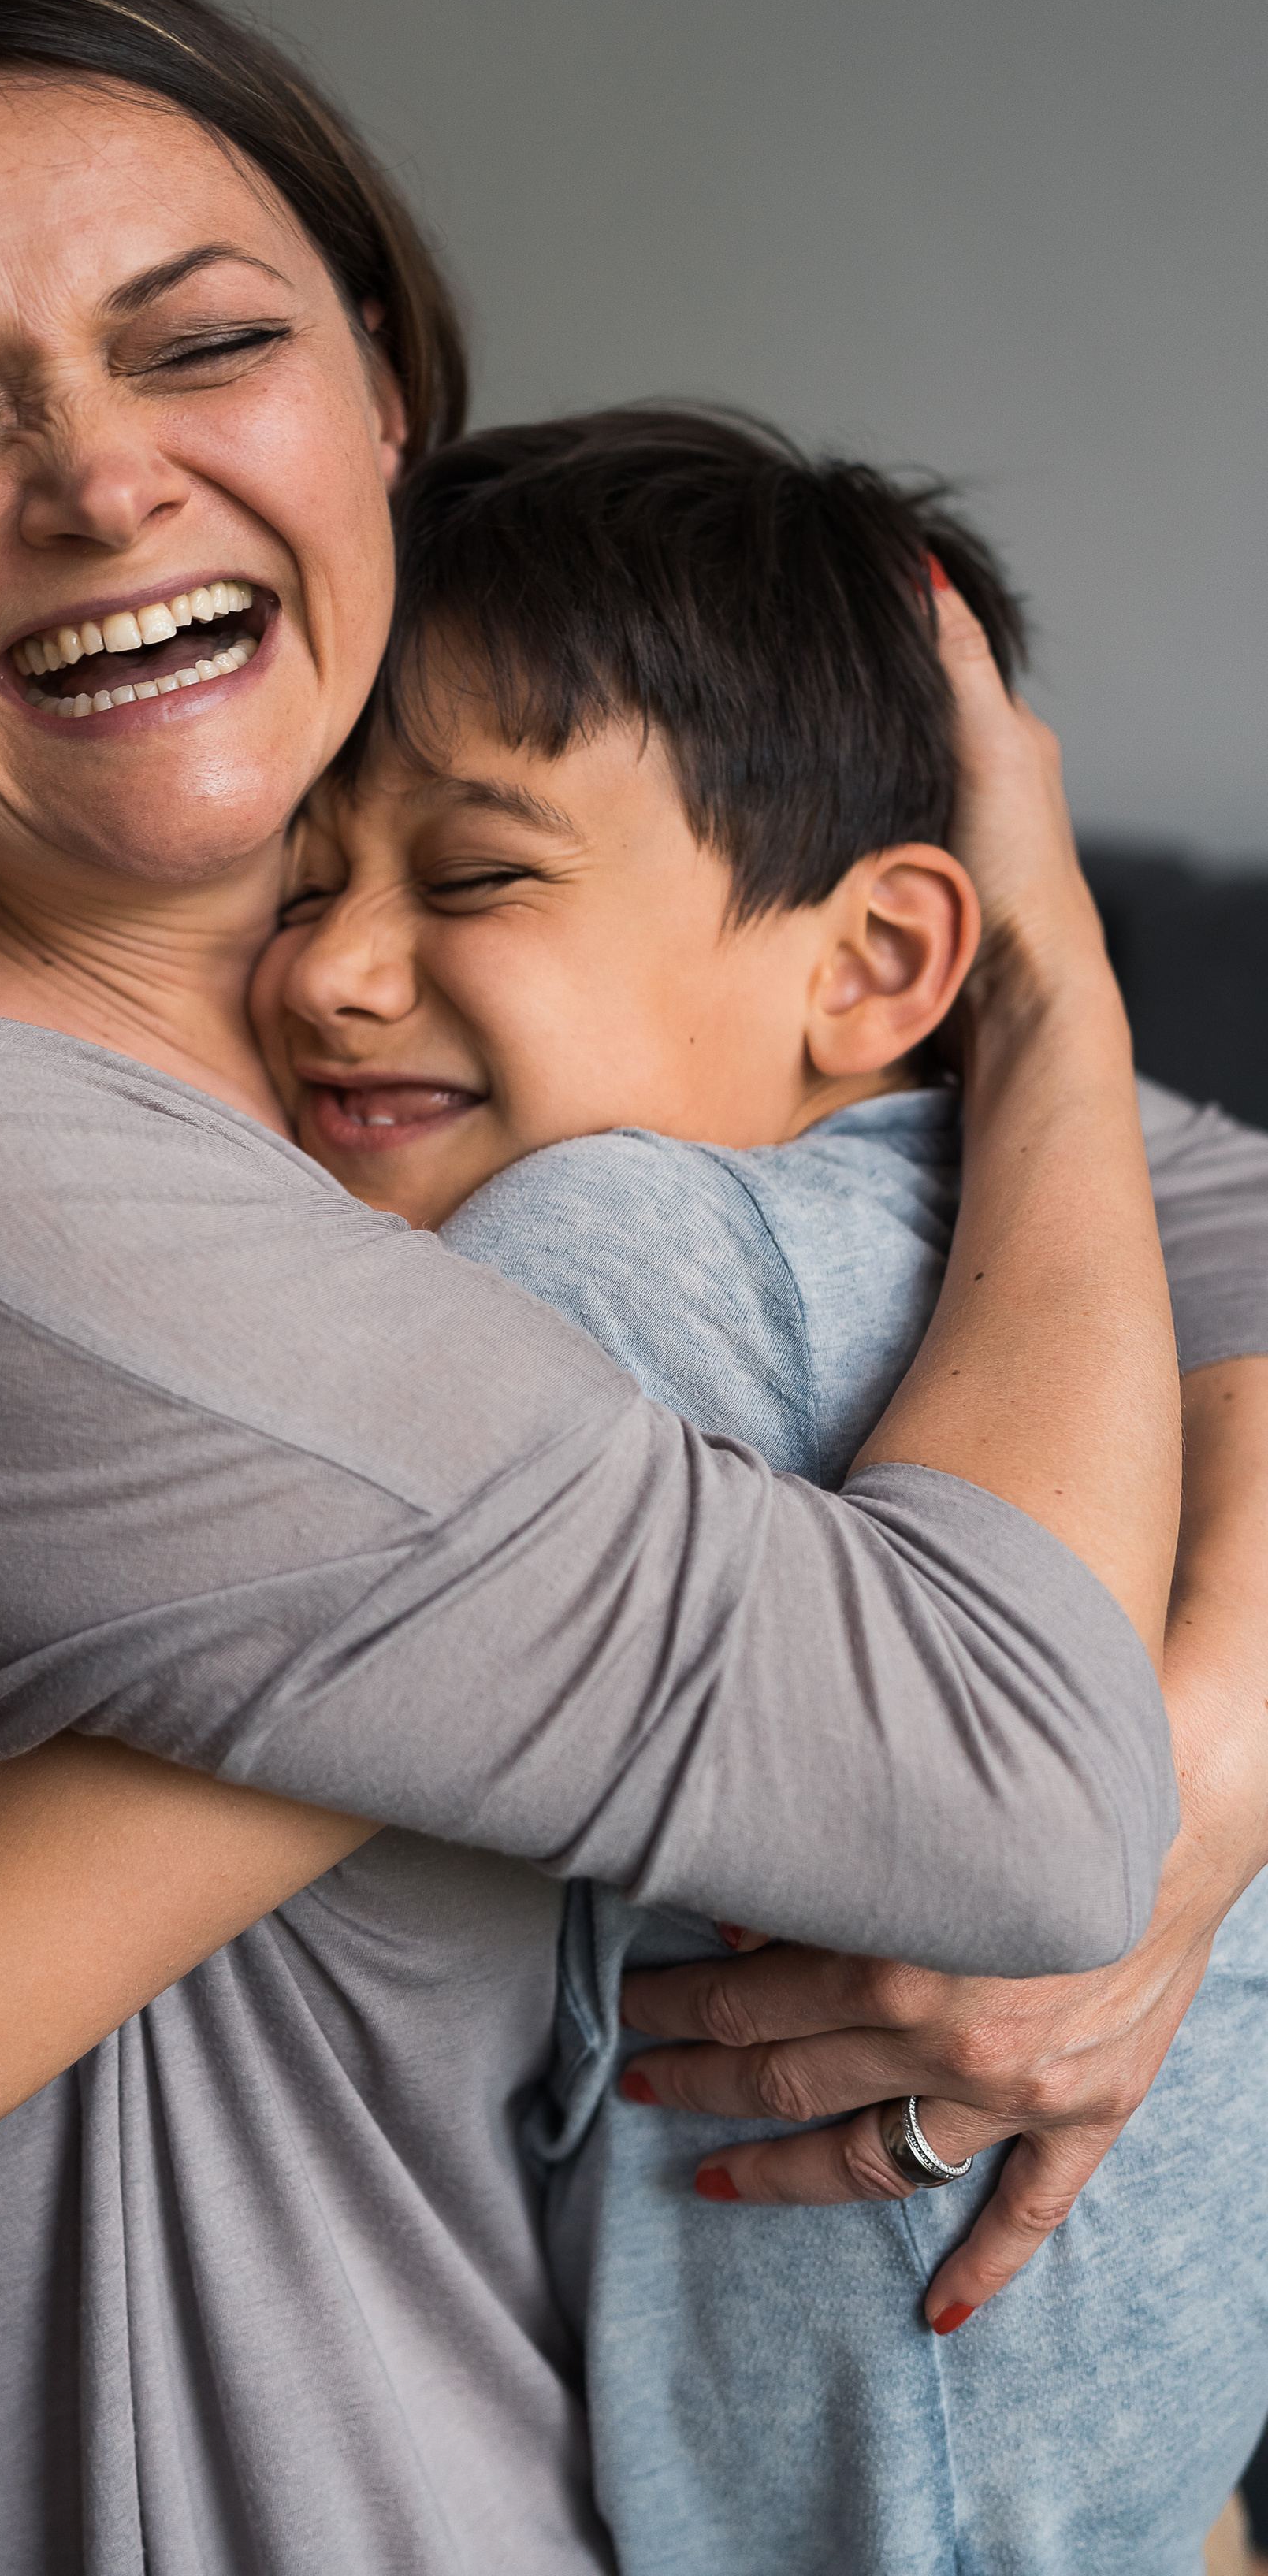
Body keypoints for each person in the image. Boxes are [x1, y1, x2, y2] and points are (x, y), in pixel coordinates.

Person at [0, 0, 1259, 2576]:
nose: (101, 483)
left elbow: (1220, 1247)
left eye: (199, 344)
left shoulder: (354, 958)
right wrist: (1049, 998)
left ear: (381, 403)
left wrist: (1214, 1762)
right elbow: (1009, 1783)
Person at [246, 401, 1268, 2574]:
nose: (324, 970)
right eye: (297, 881)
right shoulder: (1015, 1216)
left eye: (476, 872)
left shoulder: (605, 1237)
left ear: (881, 963)